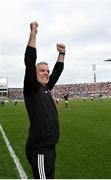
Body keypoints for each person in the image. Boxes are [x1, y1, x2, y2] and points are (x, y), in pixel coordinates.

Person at [23, 21, 65, 179]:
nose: (46, 73)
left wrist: (62, 54)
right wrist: (33, 34)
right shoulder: (32, 88)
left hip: (50, 147)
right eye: (42, 70)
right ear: (34, 74)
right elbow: (29, 61)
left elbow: (57, 71)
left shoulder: (46, 88)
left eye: (47, 71)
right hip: (39, 149)